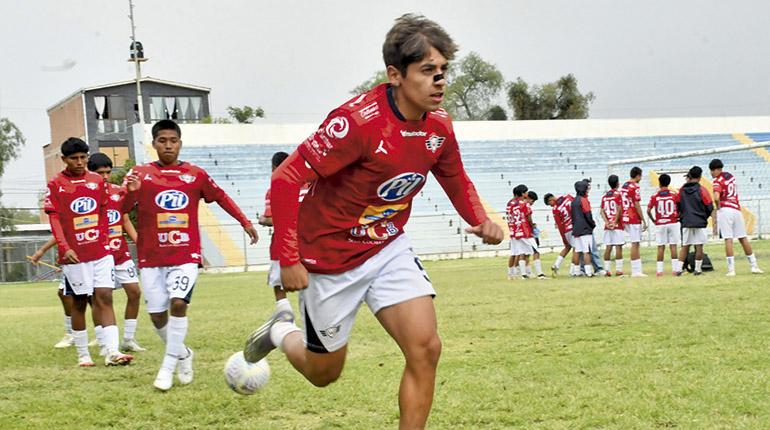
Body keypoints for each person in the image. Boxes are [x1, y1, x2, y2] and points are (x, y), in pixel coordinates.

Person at [244, 14, 503, 429]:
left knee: (426, 348)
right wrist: (287, 257)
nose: (439, 81)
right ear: (395, 75)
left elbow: (454, 176)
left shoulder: (439, 125)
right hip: (329, 259)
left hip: (386, 247)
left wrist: (479, 218)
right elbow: (287, 177)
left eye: (443, 71)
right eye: (427, 71)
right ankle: (280, 332)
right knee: (323, 374)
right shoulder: (357, 122)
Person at [122, 119, 258, 391]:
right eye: (163, 141)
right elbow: (122, 209)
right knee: (158, 316)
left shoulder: (195, 175)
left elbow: (220, 197)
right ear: (154, 144)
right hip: (151, 257)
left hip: (185, 254)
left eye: (173, 141)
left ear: (180, 143)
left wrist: (244, 221)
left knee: (178, 305)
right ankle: (184, 354)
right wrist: (130, 193)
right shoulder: (140, 174)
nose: (168, 146)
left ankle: (168, 365)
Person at [31, 153, 146, 353]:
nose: (106, 177)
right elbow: (66, 228)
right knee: (91, 298)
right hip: (89, 254)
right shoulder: (82, 191)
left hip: (117, 252)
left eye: (109, 172)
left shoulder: (118, 192)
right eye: (101, 173)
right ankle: (97, 340)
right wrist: (44, 249)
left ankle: (127, 338)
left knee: (134, 292)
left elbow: (125, 219)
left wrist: (141, 244)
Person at [44, 138, 133, 367]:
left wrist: (104, 239)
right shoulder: (56, 185)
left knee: (105, 296)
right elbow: (54, 220)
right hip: (74, 256)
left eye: (83, 157)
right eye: (74, 158)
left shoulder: (96, 180)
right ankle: (83, 354)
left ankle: (112, 351)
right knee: (80, 302)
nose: (80, 162)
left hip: (101, 252)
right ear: (64, 159)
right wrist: (65, 247)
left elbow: (105, 211)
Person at [709, 159, 763, 275]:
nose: (711, 173)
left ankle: (731, 270)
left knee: (728, 239)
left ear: (717, 169)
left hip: (725, 209)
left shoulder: (717, 181)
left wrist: (718, 207)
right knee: (743, 238)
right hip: (736, 209)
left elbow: (716, 197)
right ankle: (754, 266)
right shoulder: (730, 177)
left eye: (712, 171)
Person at [258, 151, 291, 307]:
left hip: (283, 245)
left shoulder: (274, 189)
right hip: (309, 244)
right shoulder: (307, 184)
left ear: (273, 168)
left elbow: (271, 220)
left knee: (278, 283)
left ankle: (285, 316)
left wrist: (262, 219)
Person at [676, 166, 713, 276]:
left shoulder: (682, 190)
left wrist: (683, 216)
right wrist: (704, 217)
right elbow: (709, 206)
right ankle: (697, 269)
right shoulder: (702, 190)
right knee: (699, 246)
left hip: (686, 221)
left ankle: (678, 269)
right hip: (699, 222)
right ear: (700, 177)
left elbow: (677, 204)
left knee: (685, 246)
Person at [647, 174, 681, 276]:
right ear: (669, 182)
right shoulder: (674, 194)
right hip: (672, 222)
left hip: (660, 223)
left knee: (660, 247)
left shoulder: (655, 195)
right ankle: (675, 270)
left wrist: (654, 220)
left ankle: (659, 271)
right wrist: (677, 216)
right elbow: (680, 208)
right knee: (673, 246)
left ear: (659, 182)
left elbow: (648, 210)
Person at [620, 166, 648, 277]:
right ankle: (636, 271)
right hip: (633, 217)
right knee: (635, 243)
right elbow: (636, 204)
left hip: (625, 216)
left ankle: (636, 270)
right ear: (638, 176)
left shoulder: (624, 186)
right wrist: (643, 219)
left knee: (634, 243)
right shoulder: (635, 186)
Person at [544, 193, 575, 276]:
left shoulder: (555, 209)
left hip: (567, 229)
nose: (551, 206)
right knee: (575, 248)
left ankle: (560, 266)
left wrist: (563, 237)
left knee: (569, 247)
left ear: (550, 200)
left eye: (549, 205)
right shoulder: (567, 196)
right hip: (576, 225)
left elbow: (560, 224)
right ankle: (571, 270)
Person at [600, 175, 624, 276]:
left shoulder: (604, 196)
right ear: (618, 183)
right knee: (618, 246)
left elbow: (601, 211)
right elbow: (619, 208)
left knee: (608, 247)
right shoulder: (618, 195)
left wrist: (607, 222)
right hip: (616, 225)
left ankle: (607, 270)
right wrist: (614, 221)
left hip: (607, 225)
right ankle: (618, 270)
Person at [571, 180, 596, 276]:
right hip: (585, 229)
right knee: (586, 251)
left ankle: (576, 272)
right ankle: (589, 272)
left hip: (576, 229)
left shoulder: (574, 201)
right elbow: (588, 214)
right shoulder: (584, 200)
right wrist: (592, 224)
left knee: (577, 250)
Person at [505, 185, 526, 279]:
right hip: (518, 230)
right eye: (525, 192)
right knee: (521, 252)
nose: (526, 194)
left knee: (513, 252)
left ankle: (510, 273)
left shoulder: (509, 203)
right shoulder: (518, 203)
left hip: (511, 230)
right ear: (521, 193)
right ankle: (519, 272)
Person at [523, 190, 545, 279]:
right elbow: (529, 218)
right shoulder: (526, 205)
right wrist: (533, 226)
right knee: (536, 251)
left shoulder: (519, 205)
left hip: (522, 231)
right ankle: (539, 274)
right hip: (528, 232)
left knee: (525, 253)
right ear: (528, 198)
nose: (532, 203)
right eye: (532, 201)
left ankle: (527, 272)